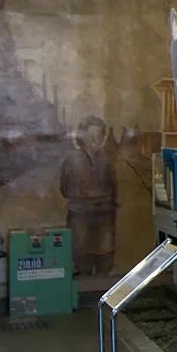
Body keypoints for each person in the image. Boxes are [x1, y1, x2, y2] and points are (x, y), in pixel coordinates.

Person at [60, 116, 117, 276]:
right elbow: (64, 188)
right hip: (79, 215)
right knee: (81, 259)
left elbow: (113, 186)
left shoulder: (107, 160)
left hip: (104, 215)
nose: (95, 140)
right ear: (82, 137)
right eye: (91, 135)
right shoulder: (71, 159)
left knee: (104, 259)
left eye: (99, 135)